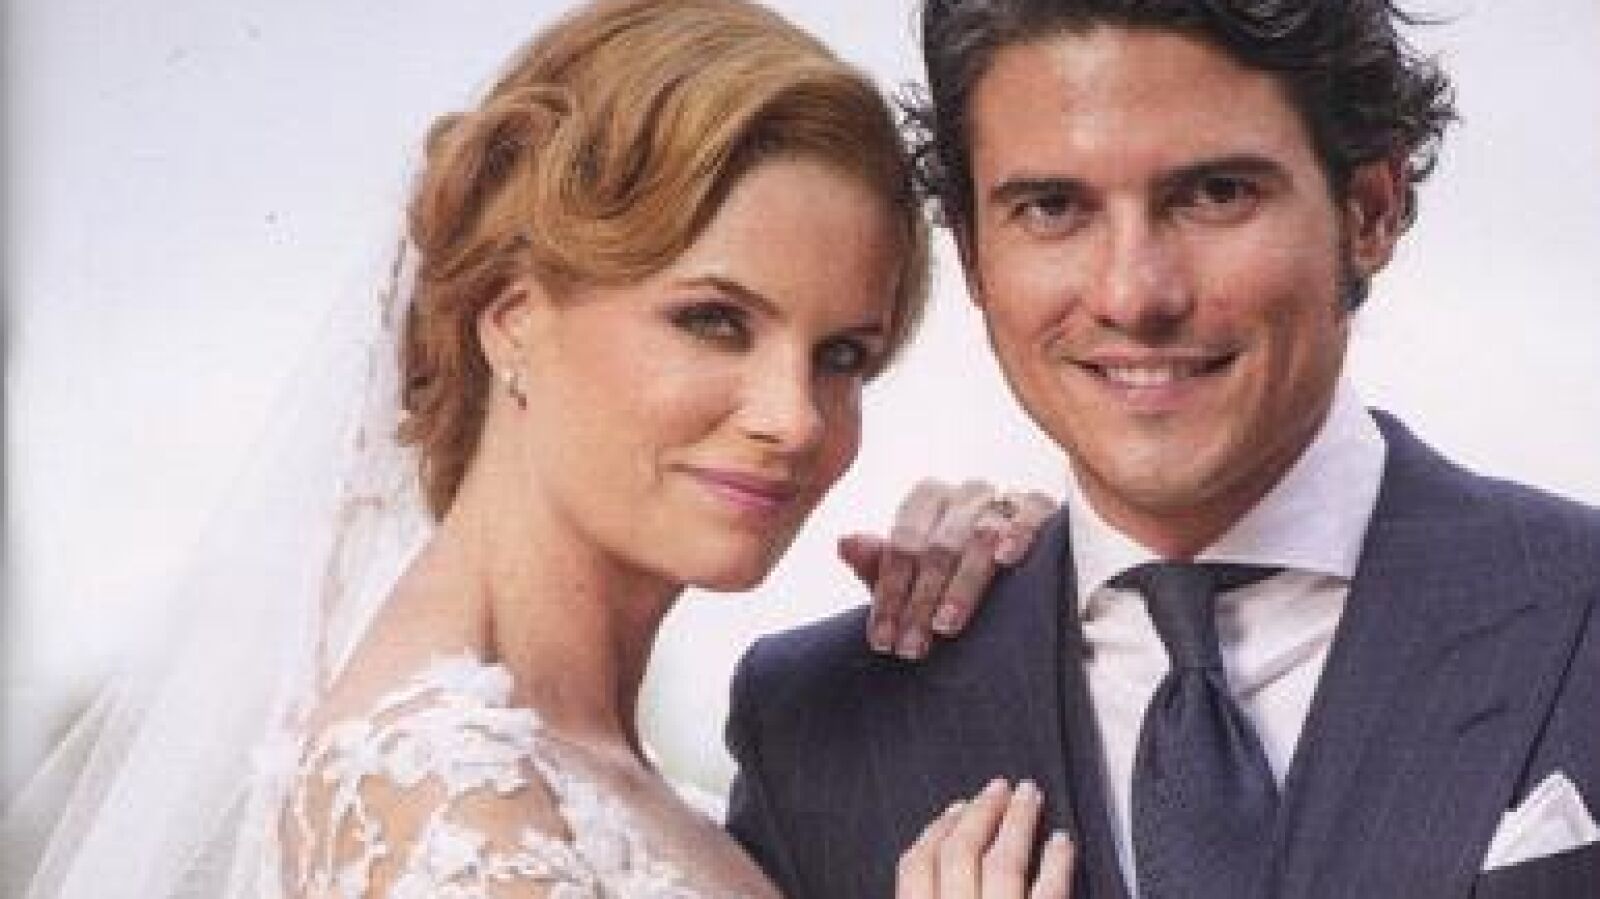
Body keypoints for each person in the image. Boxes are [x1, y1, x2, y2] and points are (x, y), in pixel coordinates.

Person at [5, 1, 1072, 897]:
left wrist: (1024, 591)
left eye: (843, 354)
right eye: (714, 321)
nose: (794, 417)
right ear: (513, 318)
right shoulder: (442, 801)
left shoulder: (616, 787)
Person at [726, 1, 1600, 897]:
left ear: (1370, 210)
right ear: (974, 253)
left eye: (1216, 194)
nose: (1134, 295)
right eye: (1053, 207)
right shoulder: (815, 733)